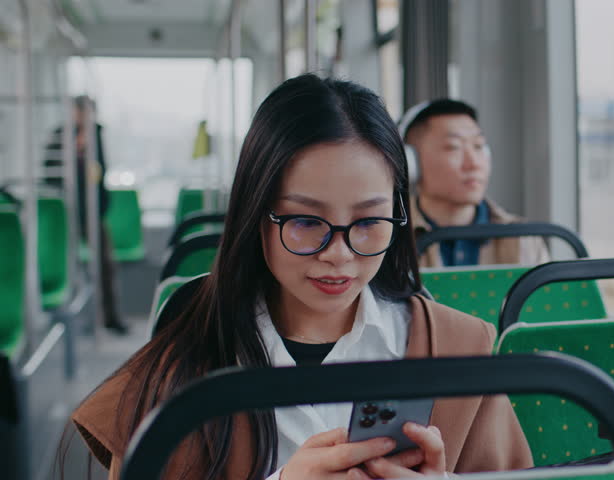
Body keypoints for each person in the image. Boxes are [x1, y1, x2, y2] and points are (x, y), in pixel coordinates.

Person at [67, 75, 532, 479]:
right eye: (307, 223)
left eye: (369, 223)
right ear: (256, 214)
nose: (339, 255)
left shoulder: (460, 348)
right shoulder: (188, 354)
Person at [399, 99, 549, 267]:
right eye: (453, 147)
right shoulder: (391, 236)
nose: (474, 163)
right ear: (411, 163)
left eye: (478, 146)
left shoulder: (522, 238)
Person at [44, 95, 129, 335]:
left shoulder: (96, 136)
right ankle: (72, 320)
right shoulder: (61, 136)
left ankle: (109, 318)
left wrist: (101, 206)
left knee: (105, 264)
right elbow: (49, 174)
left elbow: (100, 173)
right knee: (66, 266)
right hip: (66, 212)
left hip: (93, 214)